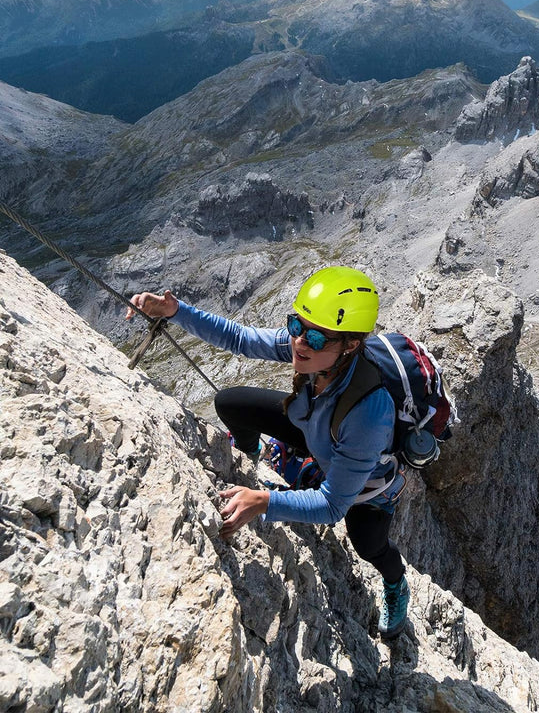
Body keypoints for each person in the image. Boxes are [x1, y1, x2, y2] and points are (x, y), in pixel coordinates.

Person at [126, 266, 410, 638]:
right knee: (231, 403)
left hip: (365, 485)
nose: (299, 343)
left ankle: (397, 584)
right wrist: (176, 311)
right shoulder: (317, 348)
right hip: (320, 431)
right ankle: (248, 463)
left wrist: (264, 501)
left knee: (368, 544)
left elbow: (332, 506)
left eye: (315, 337)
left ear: (350, 345)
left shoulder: (370, 412)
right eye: (296, 326)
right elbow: (241, 338)